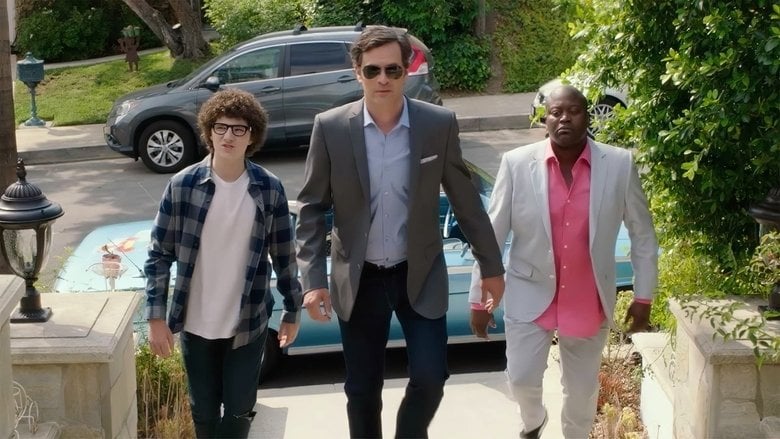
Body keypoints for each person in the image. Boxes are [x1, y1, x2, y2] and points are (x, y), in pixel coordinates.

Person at [296, 25, 506, 439]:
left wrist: (492, 267)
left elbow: (466, 202)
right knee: (361, 390)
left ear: (407, 70)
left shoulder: (437, 124)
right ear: (357, 72)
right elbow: (311, 207)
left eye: (392, 69)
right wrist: (313, 280)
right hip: (359, 279)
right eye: (372, 70)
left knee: (431, 377)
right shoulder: (331, 127)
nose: (383, 79)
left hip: (419, 272)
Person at [469, 85, 658, 439]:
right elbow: (491, 234)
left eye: (574, 111)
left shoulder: (618, 164)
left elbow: (642, 233)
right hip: (528, 289)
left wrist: (643, 295)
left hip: (587, 296)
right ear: (545, 120)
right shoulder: (517, 164)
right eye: (556, 112)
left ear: (588, 116)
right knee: (521, 379)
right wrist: (479, 298)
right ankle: (533, 421)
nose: (564, 118)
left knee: (581, 393)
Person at [144, 88, 302, 438]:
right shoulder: (183, 185)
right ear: (209, 132)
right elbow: (159, 254)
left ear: (252, 136)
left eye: (238, 129)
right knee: (203, 412)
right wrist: (156, 317)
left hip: (248, 321)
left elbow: (284, 255)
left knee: (239, 411)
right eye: (220, 127)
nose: (228, 136)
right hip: (196, 320)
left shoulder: (268, 188)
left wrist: (293, 309)